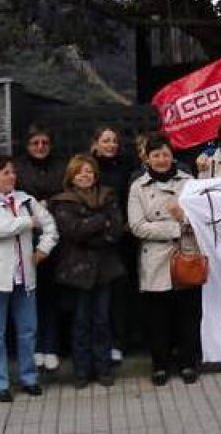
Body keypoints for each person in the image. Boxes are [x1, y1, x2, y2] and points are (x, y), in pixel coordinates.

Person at [0, 154, 59, 402]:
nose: (11, 176)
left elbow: (50, 226)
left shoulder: (26, 200)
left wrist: (43, 249)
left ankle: (29, 378)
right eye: (5, 172)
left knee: (27, 331)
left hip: (24, 277)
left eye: (12, 172)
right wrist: (26, 223)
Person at [126, 134, 201, 386]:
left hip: (185, 254)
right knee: (157, 317)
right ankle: (160, 365)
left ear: (173, 157)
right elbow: (137, 226)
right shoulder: (138, 187)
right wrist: (175, 228)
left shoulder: (189, 182)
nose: (161, 159)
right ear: (147, 158)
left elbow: (202, 217)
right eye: (155, 155)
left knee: (187, 313)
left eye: (165, 154)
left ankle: (188, 363)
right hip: (155, 258)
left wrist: (186, 219)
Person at [49, 154, 125, 389]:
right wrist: (100, 221)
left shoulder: (108, 195)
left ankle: (103, 368)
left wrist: (92, 228)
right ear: (72, 176)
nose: (85, 175)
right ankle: (82, 371)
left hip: (104, 269)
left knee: (102, 320)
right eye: (80, 172)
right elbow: (72, 231)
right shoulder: (62, 201)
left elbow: (116, 230)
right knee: (80, 322)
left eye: (89, 171)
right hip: (77, 272)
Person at [15, 124, 67, 373]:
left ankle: (52, 346)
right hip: (26, 237)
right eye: (35, 143)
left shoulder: (61, 167)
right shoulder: (18, 168)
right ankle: (35, 347)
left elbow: (66, 194)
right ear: (27, 146)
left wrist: (48, 205)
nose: (40, 147)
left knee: (52, 298)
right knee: (29, 298)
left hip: (56, 238)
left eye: (44, 142)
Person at [91, 125, 135, 363]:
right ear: (96, 143)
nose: (111, 145)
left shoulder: (125, 166)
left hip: (122, 238)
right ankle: (101, 344)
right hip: (97, 239)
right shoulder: (88, 167)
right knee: (99, 297)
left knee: (120, 294)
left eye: (114, 141)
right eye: (106, 140)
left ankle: (119, 342)